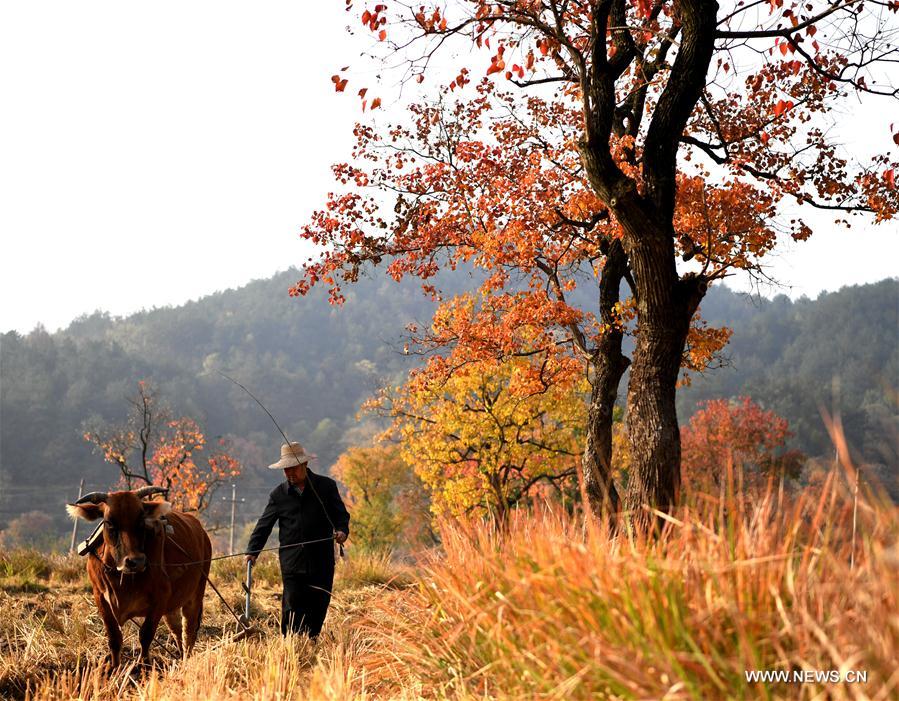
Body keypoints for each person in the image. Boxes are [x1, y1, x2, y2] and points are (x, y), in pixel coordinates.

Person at [246, 441, 349, 638]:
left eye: (292, 468)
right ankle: (291, 644)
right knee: (292, 606)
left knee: (319, 604)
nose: (289, 474)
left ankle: (311, 641)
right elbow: (264, 525)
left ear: (304, 465)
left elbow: (341, 516)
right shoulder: (278, 495)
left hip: (321, 560)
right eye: (285, 470)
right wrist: (253, 551)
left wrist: (342, 531)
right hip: (292, 561)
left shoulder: (326, 487)